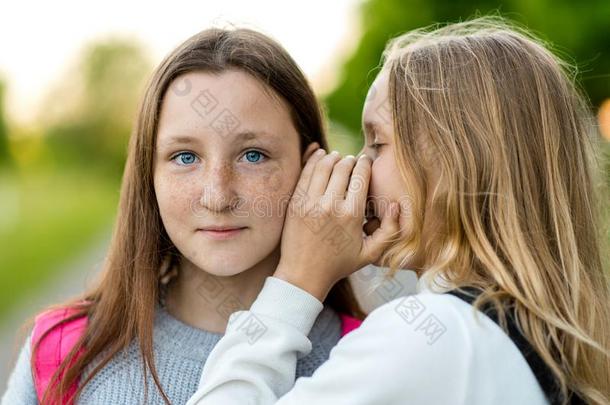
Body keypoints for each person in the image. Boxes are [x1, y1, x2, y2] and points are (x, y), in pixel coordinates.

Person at [186, 17, 610, 405]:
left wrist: (297, 280)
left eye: (378, 143)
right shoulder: (529, 339)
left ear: (456, 163)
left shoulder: (433, 336)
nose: (359, 168)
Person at [1, 28, 365, 405]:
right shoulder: (66, 350)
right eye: (185, 157)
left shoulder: (372, 357)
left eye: (253, 155)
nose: (218, 196)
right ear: (150, 175)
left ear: (311, 169)